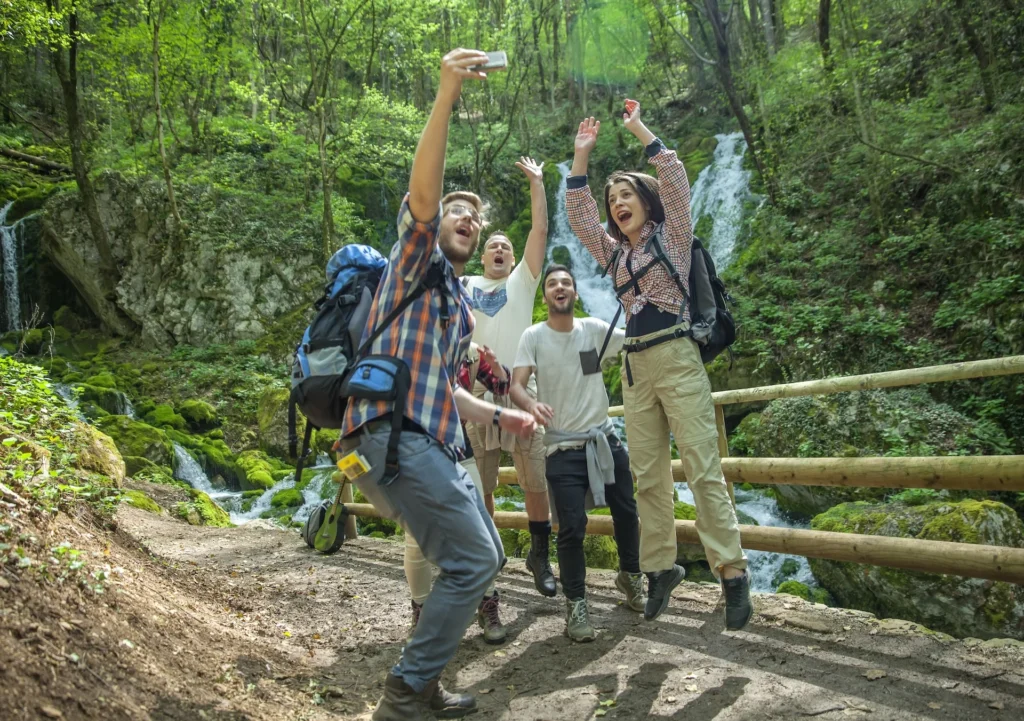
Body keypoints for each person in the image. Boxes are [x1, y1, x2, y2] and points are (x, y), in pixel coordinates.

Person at [339, 49, 537, 721]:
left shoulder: (454, 301)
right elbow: (424, 193)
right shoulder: (414, 260)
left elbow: (446, 389)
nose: (468, 219)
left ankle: (421, 681)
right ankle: (404, 691)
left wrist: (501, 414)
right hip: (390, 435)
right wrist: (447, 93)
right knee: (476, 557)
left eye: (476, 217)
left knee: (486, 556)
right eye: (458, 212)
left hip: (430, 437)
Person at [564, 101, 753, 630]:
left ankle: (732, 573)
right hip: (634, 368)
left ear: (645, 201)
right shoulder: (614, 254)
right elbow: (580, 219)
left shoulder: (671, 237)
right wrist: (582, 156)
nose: (617, 202)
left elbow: (673, 176)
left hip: (676, 354)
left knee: (701, 466)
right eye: (612, 198)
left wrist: (637, 129)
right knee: (647, 477)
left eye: (626, 194)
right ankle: (659, 570)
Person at [510, 264, 645, 642]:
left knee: (627, 512)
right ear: (546, 295)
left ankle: (631, 578)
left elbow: (635, 337)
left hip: (604, 439)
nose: (559, 287)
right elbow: (516, 385)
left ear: (575, 293)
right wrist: (531, 404)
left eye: (566, 282)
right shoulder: (533, 336)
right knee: (571, 528)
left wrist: (641, 301)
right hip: (561, 446)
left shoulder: (594, 331)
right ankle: (576, 604)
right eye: (552, 283)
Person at [463, 156, 557, 598]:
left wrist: (538, 184)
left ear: (514, 257)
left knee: (535, 478)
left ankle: (540, 553)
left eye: (506, 246)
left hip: (520, 390)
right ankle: (488, 552)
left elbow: (539, 232)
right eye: (492, 246)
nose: (500, 250)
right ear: (482, 256)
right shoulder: (463, 287)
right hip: (476, 391)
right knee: (480, 482)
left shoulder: (523, 281)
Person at [403, 343, 511, 645]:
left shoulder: (470, 351)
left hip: (458, 448)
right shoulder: (409, 337)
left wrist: (495, 363)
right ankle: (422, 615)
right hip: (415, 449)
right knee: (417, 537)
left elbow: (501, 386)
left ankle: (487, 605)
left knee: (480, 531)